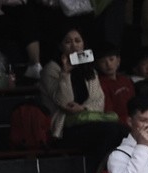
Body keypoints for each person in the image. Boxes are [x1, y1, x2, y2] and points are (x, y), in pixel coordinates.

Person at [39, 27, 126, 161]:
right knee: (110, 131)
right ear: (61, 46)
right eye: (68, 42)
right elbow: (64, 102)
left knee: (122, 131)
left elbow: (99, 101)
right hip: (63, 128)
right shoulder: (51, 69)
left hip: (88, 120)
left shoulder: (88, 68)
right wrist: (65, 73)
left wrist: (83, 108)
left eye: (78, 41)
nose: (74, 45)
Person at [95, 42, 135, 126]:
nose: (108, 64)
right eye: (103, 61)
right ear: (97, 65)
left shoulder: (126, 80)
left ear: (118, 61)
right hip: (117, 125)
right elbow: (109, 113)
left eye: (111, 59)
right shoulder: (100, 84)